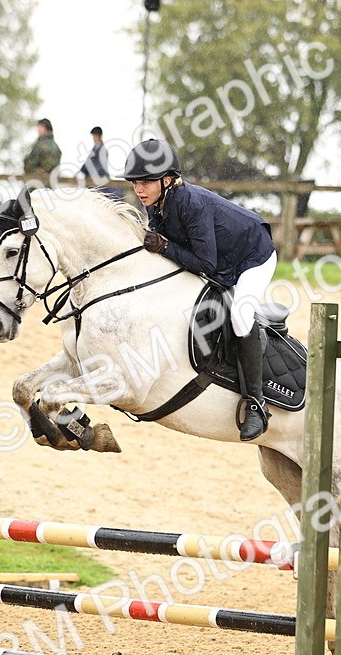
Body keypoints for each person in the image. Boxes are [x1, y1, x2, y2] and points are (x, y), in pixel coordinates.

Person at [122, 139, 277, 441]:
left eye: (146, 182)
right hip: (224, 260)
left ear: (167, 180)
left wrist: (165, 246)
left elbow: (205, 262)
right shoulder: (158, 206)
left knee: (241, 316)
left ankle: (257, 404)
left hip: (253, 256)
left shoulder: (190, 204)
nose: (139, 189)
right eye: (135, 183)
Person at [78, 126, 122, 201]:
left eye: (95, 136)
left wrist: (92, 173)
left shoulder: (103, 150)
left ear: (99, 136)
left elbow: (100, 167)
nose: (94, 138)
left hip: (100, 180)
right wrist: (81, 171)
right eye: (93, 136)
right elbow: (87, 163)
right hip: (93, 180)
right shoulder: (94, 149)